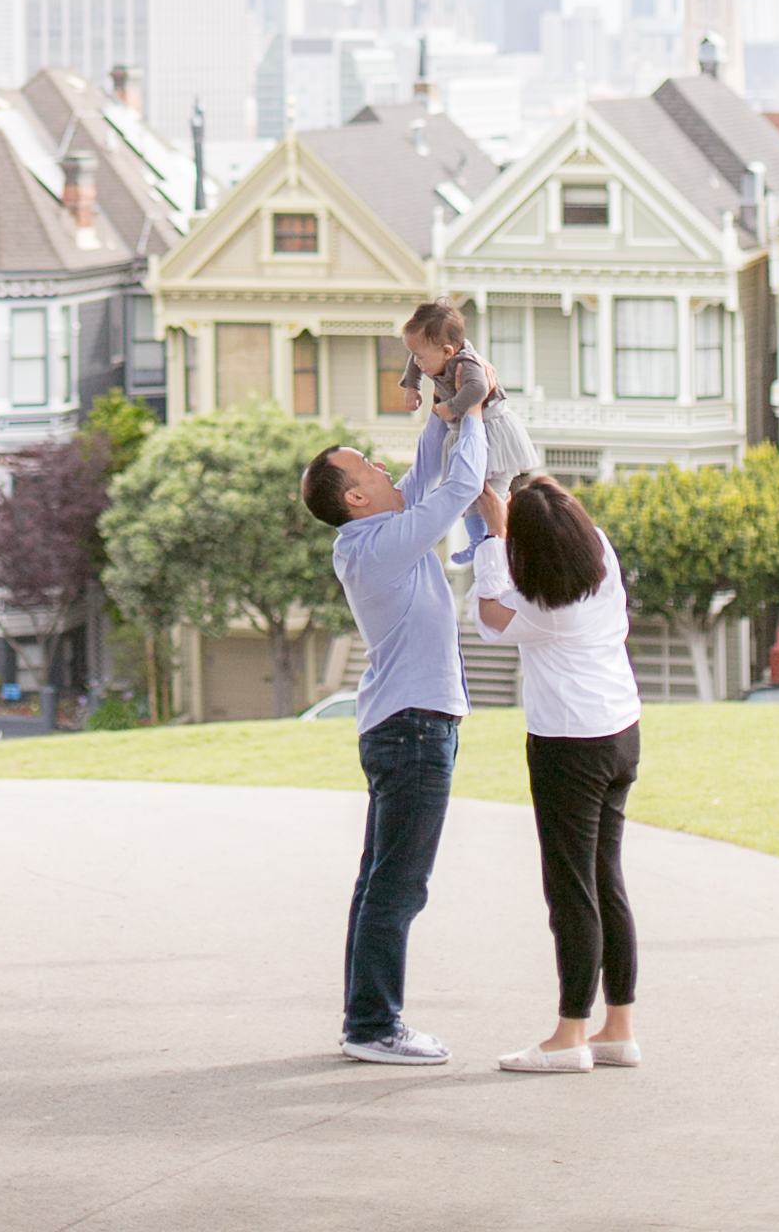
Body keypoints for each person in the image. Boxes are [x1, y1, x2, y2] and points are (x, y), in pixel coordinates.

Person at [302, 405, 486, 1065]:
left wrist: (445, 409)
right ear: (355, 498)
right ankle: (375, 1028)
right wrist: (478, 417)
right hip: (413, 730)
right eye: (366, 467)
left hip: (406, 725)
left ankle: (366, 1022)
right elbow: (460, 487)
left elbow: (428, 468)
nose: (382, 468)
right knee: (399, 884)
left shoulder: (378, 532)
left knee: (379, 881)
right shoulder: (379, 543)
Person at [471, 476, 642, 1076]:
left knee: (570, 889)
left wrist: (494, 537)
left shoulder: (544, 610)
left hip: (570, 745)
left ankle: (569, 1035)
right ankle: (617, 1028)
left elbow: (489, 618)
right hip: (620, 732)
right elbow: (553, 514)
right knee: (606, 879)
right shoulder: (598, 552)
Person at [398, 297, 541, 564]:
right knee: (473, 495)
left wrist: (451, 407)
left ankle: (494, 538)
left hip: (492, 430)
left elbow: (478, 389)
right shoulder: (431, 355)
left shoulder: (467, 365)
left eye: (421, 357)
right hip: (467, 429)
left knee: (492, 490)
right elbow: (413, 360)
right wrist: (412, 386)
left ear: (447, 352)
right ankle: (478, 541)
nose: (417, 362)